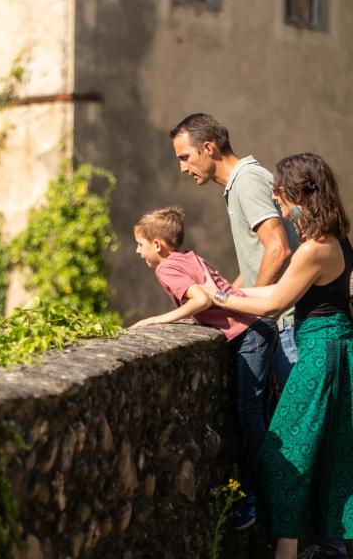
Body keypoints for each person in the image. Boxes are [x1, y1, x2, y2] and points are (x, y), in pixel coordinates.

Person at [170, 114, 347, 558]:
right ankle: (319, 546)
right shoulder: (336, 241)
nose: (274, 195)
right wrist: (230, 292)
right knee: (325, 450)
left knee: (286, 452)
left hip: (311, 346)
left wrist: (223, 300)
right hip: (326, 344)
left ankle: (310, 543)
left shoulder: (311, 244)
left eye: (282, 190)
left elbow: (275, 280)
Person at [131, 206, 277, 528]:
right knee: (257, 416)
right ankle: (268, 492)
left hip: (250, 333)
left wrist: (157, 319)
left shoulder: (167, 267)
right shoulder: (189, 257)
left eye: (140, 244)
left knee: (250, 416)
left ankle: (260, 497)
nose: (137, 251)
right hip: (259, 329)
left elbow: (200, 300)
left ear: (158, 245)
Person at [169, 113, 299, 386]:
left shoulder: (246, 181)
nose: (182, 168)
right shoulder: (241, 182)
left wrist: (250, 313)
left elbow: (277, 249)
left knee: (296, 425)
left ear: (209, 147)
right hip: (284, 325)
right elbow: (258, 256)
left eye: (184, 157)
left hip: (288, 327)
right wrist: (228, 292)